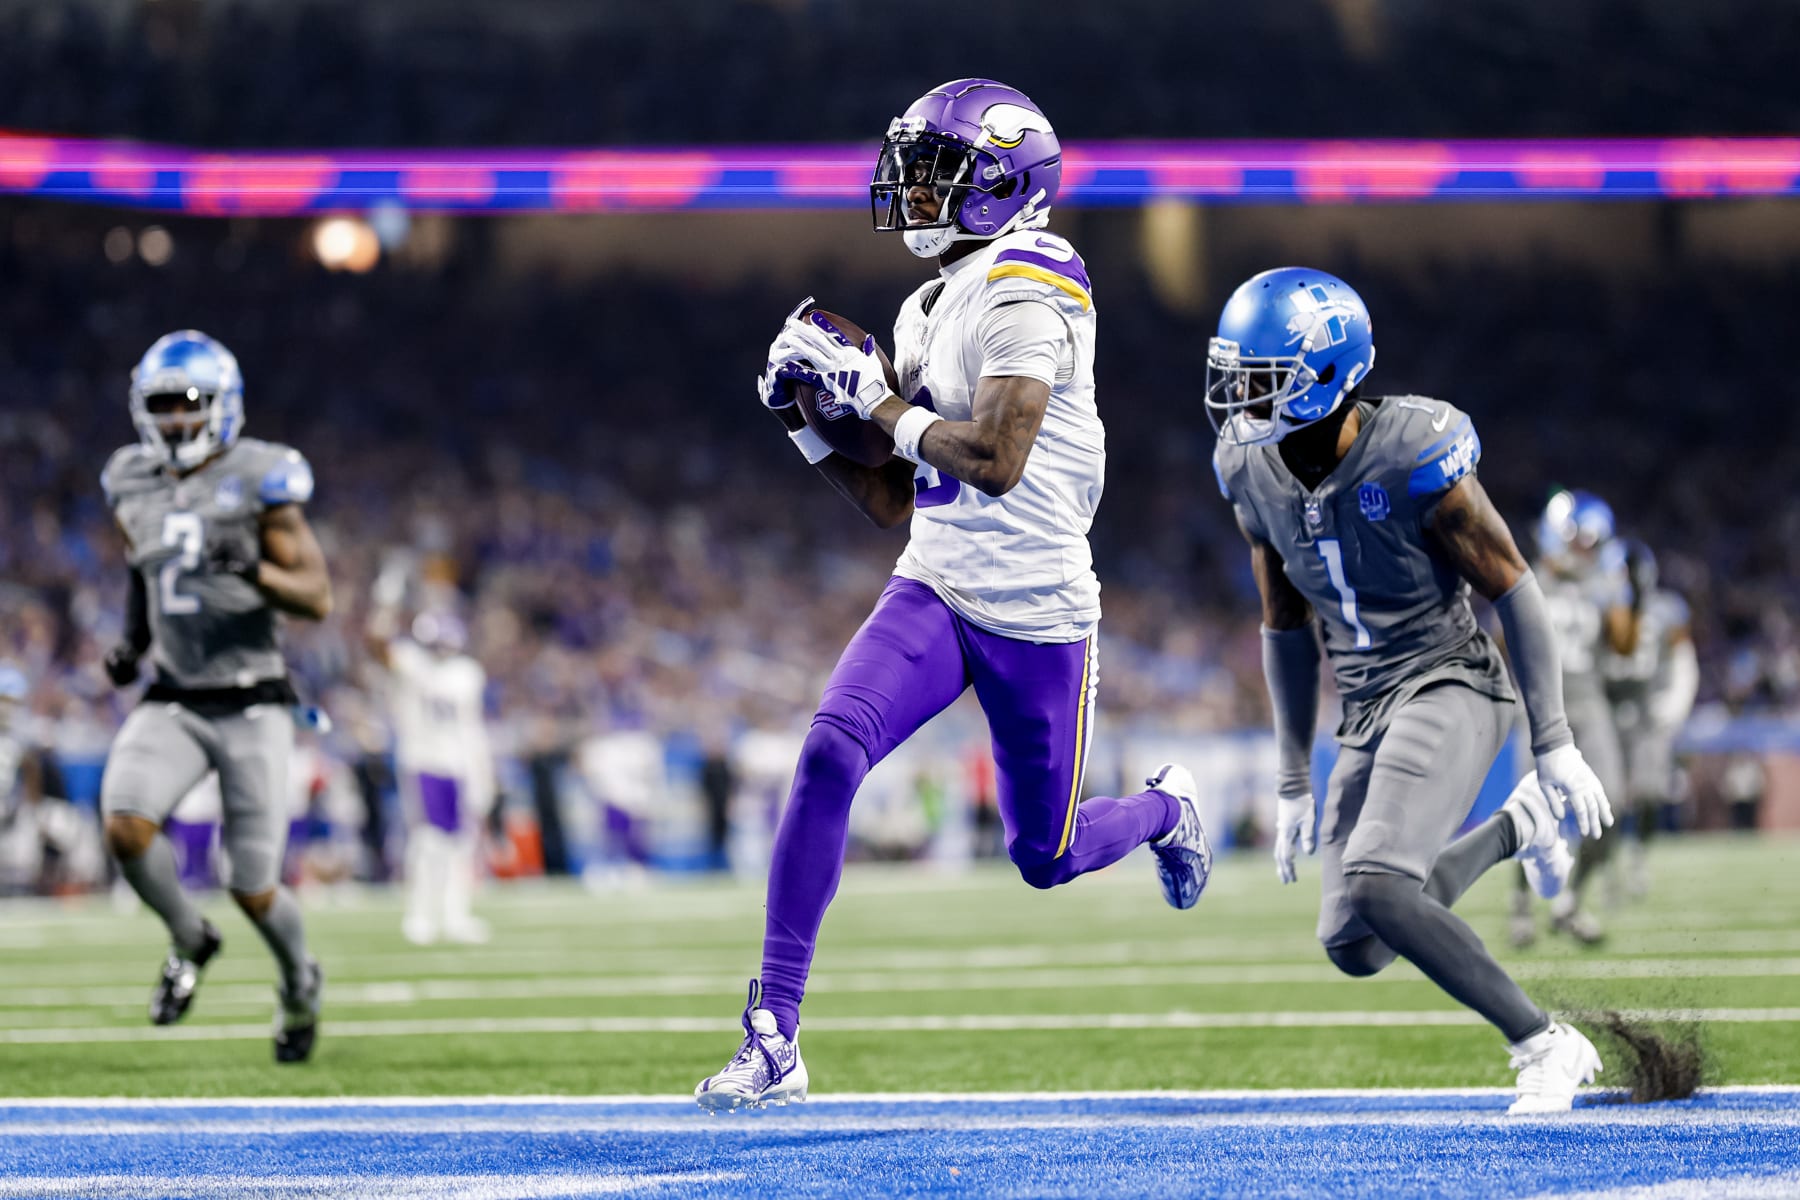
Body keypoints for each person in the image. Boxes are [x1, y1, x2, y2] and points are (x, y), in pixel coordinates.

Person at [694, 79, 1213, 1111]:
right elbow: (895, 497)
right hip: (936, 582)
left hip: (1037, 610)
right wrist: (806, 423)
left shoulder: (1037, 279)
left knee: (1048, 857)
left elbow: (999, 456)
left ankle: (1166, 809)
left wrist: (873, 397)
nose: (912, 190)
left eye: (935, 171)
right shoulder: (924, 304)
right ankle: (775, 1035)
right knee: (829, 749)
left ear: (1002, 185)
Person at [1207, 268, 1614, 1115]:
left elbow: (1515, 586)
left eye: (1261, 381)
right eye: (1234, 378)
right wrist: (1291, 778)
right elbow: (1282, 625)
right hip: (1364, 705)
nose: (1239, 403)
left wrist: (1555, 739)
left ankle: (1543, 1043)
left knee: (1380, 883)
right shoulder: (1247, 469)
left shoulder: (1415, 449)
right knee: (1356, 942)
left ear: (1325, 375)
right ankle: (1519, 827)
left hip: (1449, 677)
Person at [98, 331, 332, 1063]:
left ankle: (299, 982)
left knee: (253, 885)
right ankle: (189, 938)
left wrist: (255, 570)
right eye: (161, 405)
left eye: (188, 403)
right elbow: (142, 567)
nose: (173, 420)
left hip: (251, 698)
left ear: (222, 404)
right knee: (125, 827)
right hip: (173, 694)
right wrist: (134, 640)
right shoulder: (130, 479)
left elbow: (316, 597)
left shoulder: (262, 477)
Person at [1513, 490, 1633, 947]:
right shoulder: (1529, 578)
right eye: (1582, 541)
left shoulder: (1602, 585)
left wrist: (1622, 592)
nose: (1587, 550)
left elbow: (1622, 645)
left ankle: (1570, 903)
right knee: (1533, 809)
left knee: (1612, 805)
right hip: (1544, 706)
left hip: (1590, 702)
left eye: (1592, 543)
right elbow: (1506, 642)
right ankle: (1521, 903)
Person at [366, 584, 495, 946]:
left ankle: (456, 916)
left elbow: (473, 728)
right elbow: (377, 644)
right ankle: (421, 915)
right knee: (428, 841)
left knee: (461, 844)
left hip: (458, 765)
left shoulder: (467, 673)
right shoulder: (411, 662)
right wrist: (386, 603)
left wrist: (482, 774)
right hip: (422, 761)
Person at [1603, 540, 1699, 899]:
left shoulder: (1668, 609)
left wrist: (1674, 706)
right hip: (1609, 709)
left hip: (1647, 710)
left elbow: (1683, 661)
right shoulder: (1600, 605)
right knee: (1607, 797)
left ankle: (1638, 856)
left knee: (1649, 792)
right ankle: (1607, 864)